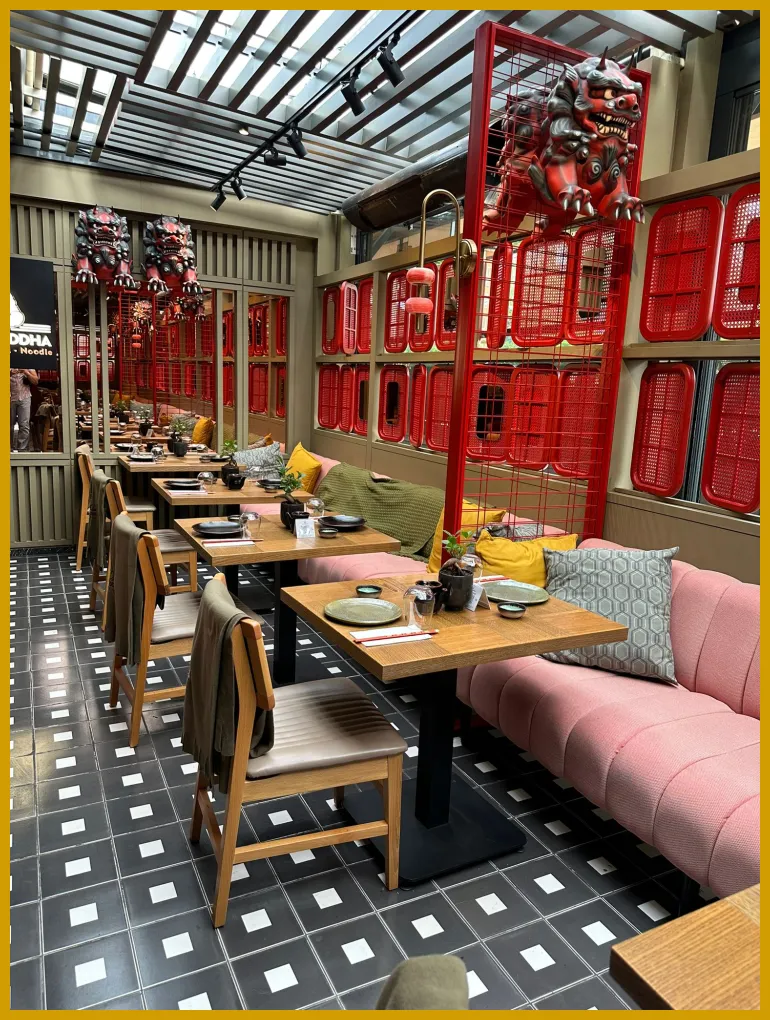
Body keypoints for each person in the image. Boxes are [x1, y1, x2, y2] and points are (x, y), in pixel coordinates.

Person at [10, 367, 39, 451]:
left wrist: (26, 372)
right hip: (10, 398)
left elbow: (35, 381)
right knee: (8, 424)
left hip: (25, 397)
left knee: (24, 424)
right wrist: (10, 372)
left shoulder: (27, 364)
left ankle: (22, 449)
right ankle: (8, 447)